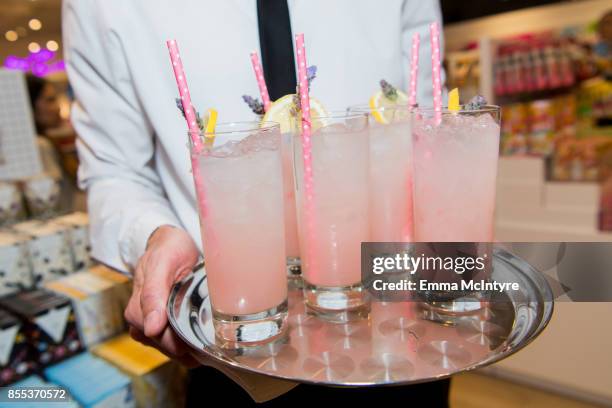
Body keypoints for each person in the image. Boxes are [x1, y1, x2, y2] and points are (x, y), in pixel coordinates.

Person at [62, 0, 449, 405]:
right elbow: (113, 173)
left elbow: (427, 124)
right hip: (236, 344)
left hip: (399, 327)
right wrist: (151, 233)